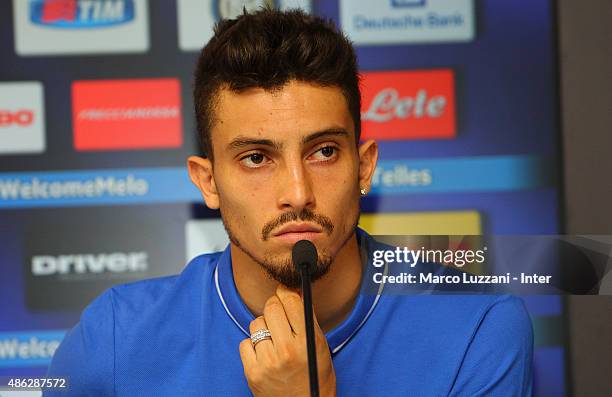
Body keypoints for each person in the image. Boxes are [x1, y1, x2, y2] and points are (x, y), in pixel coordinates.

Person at [45, 8, 533, 396]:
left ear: (363, 167)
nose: (298, 193)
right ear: (207, 181)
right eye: (256, 158)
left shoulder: (477, 328)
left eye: (323, 152)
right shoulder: (112, 340)